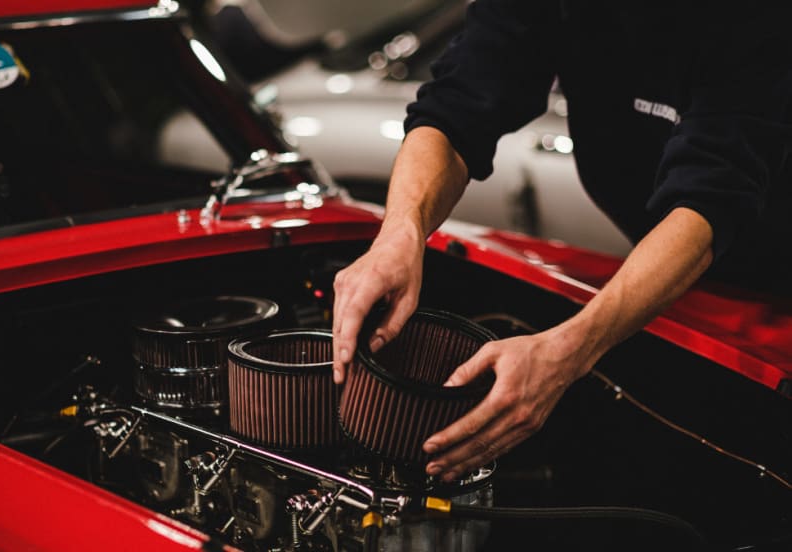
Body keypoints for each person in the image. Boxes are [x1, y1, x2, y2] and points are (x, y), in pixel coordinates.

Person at [331, 0, 792, 483]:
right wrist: (399, 234)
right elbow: (454, 108)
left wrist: (568, 351)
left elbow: (711, 195)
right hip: (685, 274)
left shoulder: (752, 17)